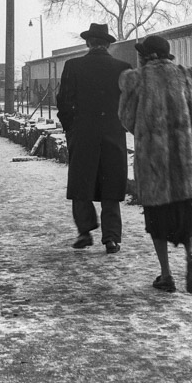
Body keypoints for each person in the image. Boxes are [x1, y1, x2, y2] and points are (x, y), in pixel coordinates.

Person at [118, 34, 192, 294]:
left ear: (147, 56)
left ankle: (166, 274)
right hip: (187, 159)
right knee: (185, 211)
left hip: (155, 161)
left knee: (157, 217)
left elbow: (127, 119)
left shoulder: (138, 79)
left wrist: (147, 127)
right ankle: (190, 256)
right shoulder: (187, 77)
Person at [56, 22, 132, 253]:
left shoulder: (73, 66)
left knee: (81, 183)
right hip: (113, 132)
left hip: (83, 132)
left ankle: (84, 232)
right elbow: (129, 103)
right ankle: (111, 238)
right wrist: (121, 125)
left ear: (88, 43)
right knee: (111, 184)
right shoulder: (123, 67)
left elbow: (64, 102)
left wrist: (72, 128)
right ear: (108, 44)